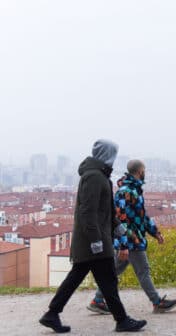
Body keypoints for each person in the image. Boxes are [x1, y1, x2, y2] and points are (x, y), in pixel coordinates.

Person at [39, 140, 147, 333]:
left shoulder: (100, 176)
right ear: (107, 155)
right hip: (95, 241)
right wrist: (96, 241)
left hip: (94, 239)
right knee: (108, 280)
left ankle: (51, 314)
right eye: (113, 154)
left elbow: (105, 211)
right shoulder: (95, 177)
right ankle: (122, 320)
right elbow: (87, 212)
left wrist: (119, 229)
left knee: (81, 278)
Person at [87, 159, 176, 315]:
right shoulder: (126, 191)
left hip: (132, 239)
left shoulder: (133, 190)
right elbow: (119, 219)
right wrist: (125, 243)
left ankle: (98, 300)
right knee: (143, 271)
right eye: (144, 170)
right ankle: (157, 302)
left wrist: (155, 233)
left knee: (113, 272)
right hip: (131, 240)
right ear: (140, 171)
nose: (145, 173)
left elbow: (142, 216)